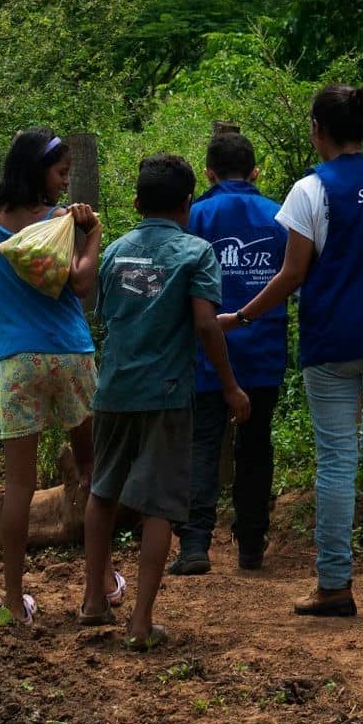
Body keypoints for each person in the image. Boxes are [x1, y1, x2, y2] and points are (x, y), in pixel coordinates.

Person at [218, 85, 363, 618]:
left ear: (317, 129)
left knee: (336, 457)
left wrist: (241, 316)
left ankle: (334, 584)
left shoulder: (312, 190)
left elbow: (292, 274)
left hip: (333, 341)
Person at [81, 154, 251, 650]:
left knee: (103, 490)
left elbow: (117, 314)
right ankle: (139, 623)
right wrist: (229, 385)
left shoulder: (113, 252)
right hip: (168, 394)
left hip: (112, 390)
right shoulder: (196, 252)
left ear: (136, 203)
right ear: (188, 203)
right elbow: (200, 322)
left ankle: (93, 601)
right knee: (159, 503)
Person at [0, 128, 117, 626]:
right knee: (92, 471)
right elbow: (80, 285)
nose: (65, 181)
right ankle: (100, 584)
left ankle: (14, 602)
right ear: (39, 171)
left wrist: (14, 337)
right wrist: (93, 233)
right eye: (60, 173)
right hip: (72, 356)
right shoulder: (60, 223)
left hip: (19, 362)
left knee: (18, 487)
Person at [170, 127, 288, 575]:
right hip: (263, 352)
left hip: (204, 353)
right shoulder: (278, 216)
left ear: (209, 173)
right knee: (256, 446)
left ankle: (195, 543)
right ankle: (252, 546)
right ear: (255, 171)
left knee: (201, 444)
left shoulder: (195, 217)